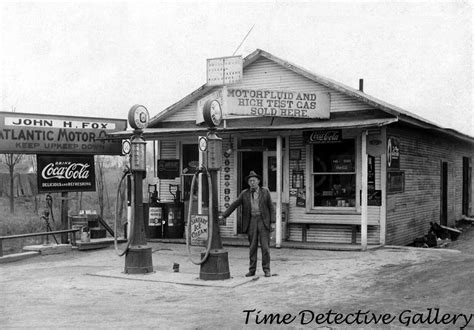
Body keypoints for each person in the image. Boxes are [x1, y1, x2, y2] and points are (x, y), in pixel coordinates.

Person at [219, 171, 275, 277]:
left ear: (258, 181)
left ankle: (266, 269)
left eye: (254, 180)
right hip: (252, 222)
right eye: (250, 181)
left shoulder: (265, 192)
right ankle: (252, 270)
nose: (252, 182)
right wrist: (224, 215)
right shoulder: (244, 193)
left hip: (264, 222)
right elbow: (235, 204)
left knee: (265, 247)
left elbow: (271, 207)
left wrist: (272, 222)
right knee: (252, 247)